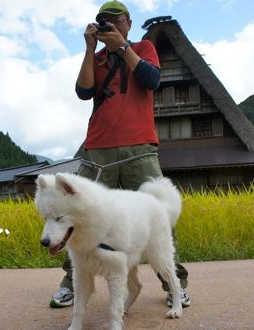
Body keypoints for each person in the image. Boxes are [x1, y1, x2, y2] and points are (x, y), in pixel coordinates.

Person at [49, 0, 190, 309]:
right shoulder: (97, 59)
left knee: (157, 215)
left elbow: (151, 80)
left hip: (139, 147)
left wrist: (124, 47)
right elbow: (84, 92)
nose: (110, 26)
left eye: (116, 21)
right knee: (79, 213)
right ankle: (71, 282)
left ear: (128, 23)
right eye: (104, 22)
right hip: (98, 148)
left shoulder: (143, 47)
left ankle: (174, 283)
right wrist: (89, 49)